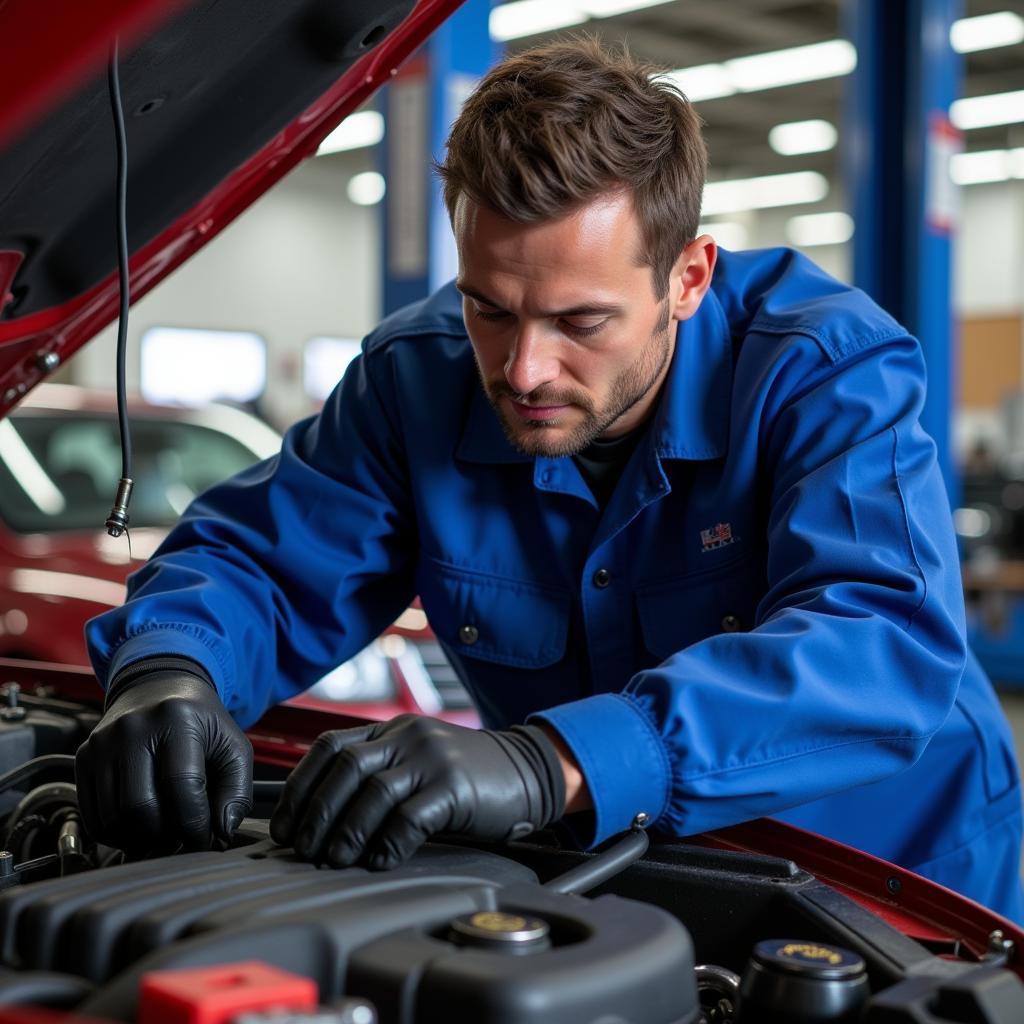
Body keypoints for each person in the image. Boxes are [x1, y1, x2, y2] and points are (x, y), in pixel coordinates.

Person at [76, 39, 1023, 921]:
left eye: (580, 322)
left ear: (687, 280)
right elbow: (268, 563)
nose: (524, 370)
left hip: (895, 884)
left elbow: (882, 644)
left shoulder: (824, 368)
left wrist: (550, 761)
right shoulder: (417, 380)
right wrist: (170, 668)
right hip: (618, 876)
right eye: (490, 308)